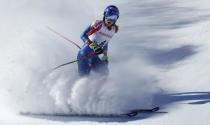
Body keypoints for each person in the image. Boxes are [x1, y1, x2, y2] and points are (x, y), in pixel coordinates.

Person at [77, 5, 120, 76]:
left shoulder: (113, 30)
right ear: (104, 15)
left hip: (94, 56)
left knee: (105, 72)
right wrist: (94, 46)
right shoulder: (98, 24)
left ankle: (98, 87)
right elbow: (83, 35)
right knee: (84, 77)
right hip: (84, 55)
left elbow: (105, 43)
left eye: (113, 17)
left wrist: (105, 56)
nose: (109, 19)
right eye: (108, 15)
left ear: (116, 18)